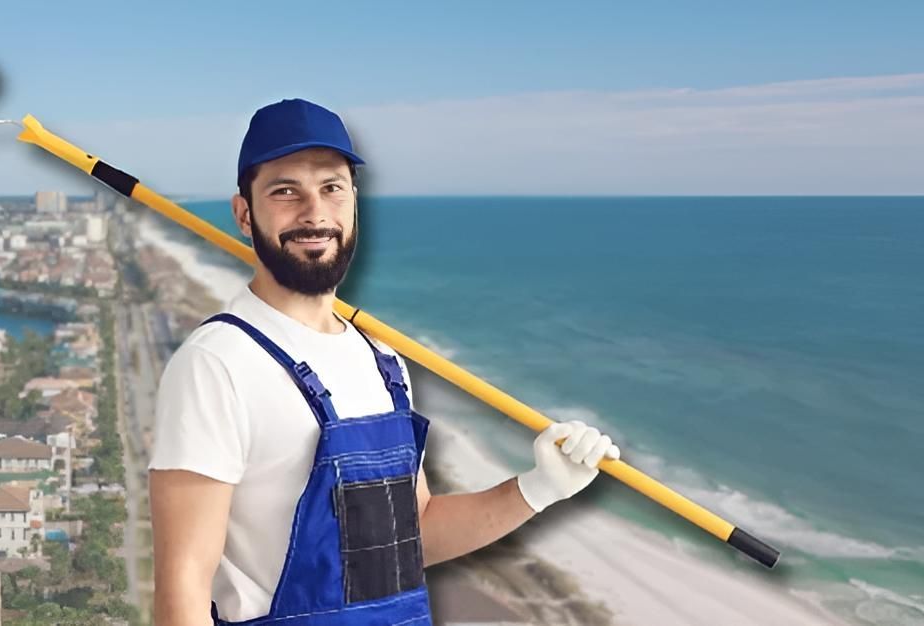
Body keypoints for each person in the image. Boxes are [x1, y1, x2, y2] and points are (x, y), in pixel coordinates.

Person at [148, 98, 623, 626]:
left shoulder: (382, 362)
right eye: (285, 191)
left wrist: (538, 488)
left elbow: (413, 537)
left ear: (354, 206)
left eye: (332, 188)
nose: (314, 213)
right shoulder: (218, 363)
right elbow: (182, 588)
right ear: (243, 214)